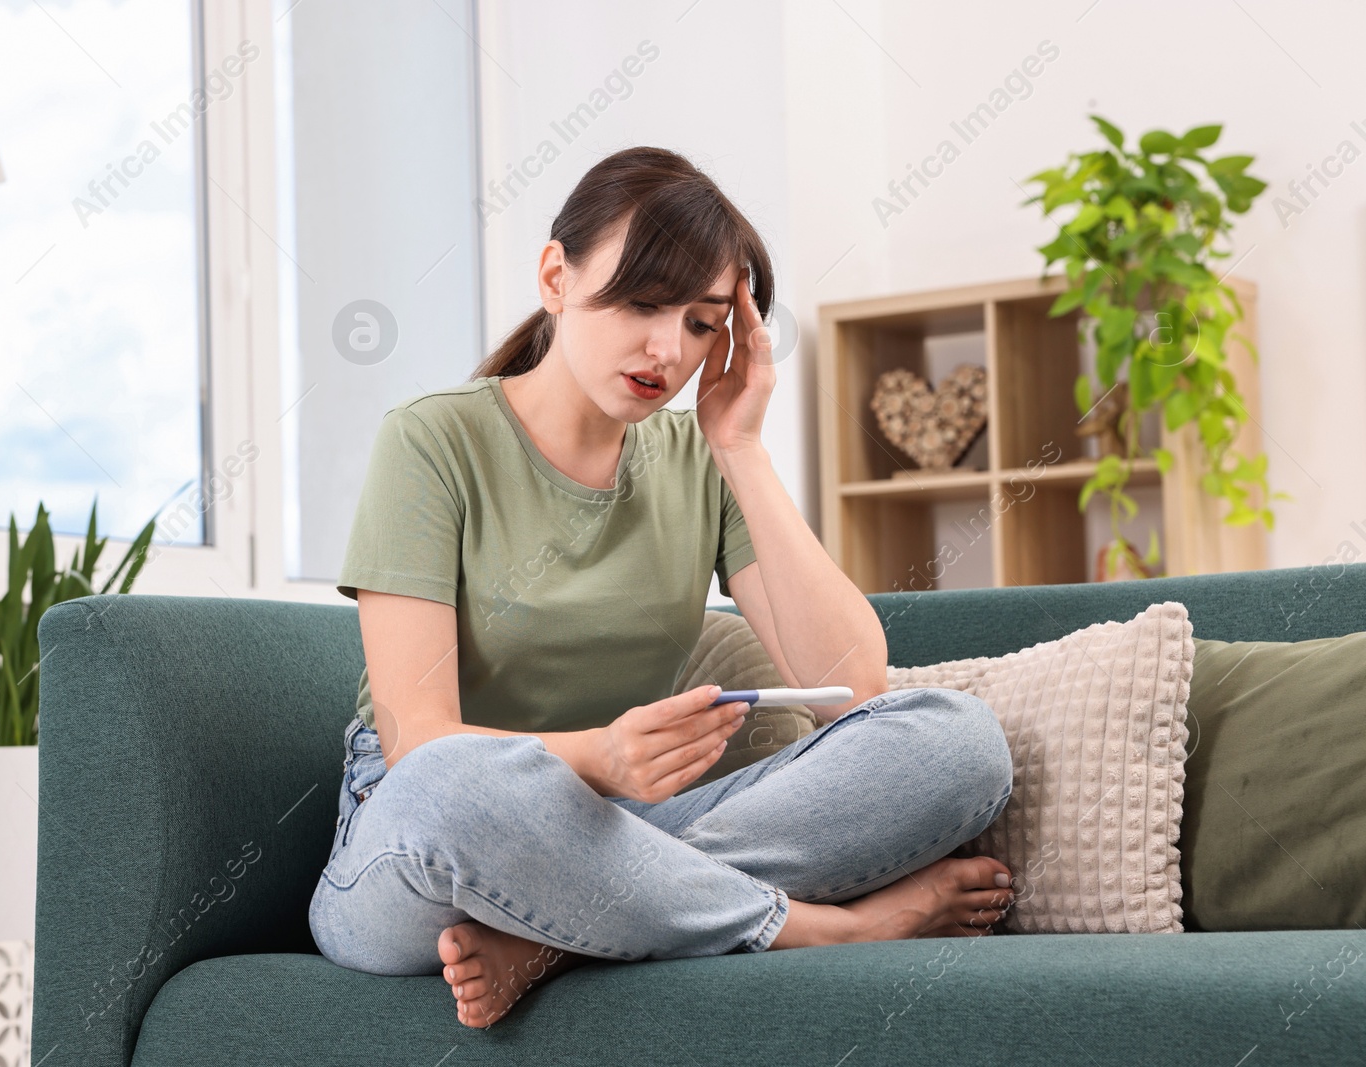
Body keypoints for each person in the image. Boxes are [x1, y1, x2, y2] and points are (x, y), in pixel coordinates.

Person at [308, 145, 1015, 1030]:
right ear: (555, 277)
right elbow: (421, 743)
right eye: (642, 304)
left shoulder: (697, 458)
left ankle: (561, 935)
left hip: (626, 832)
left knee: (958, 739)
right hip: (417, 844)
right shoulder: (432, 442)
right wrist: (599, 757)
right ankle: (817, 929)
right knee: (456, 786)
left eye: (699, 322)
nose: (667, 349)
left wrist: (741, 448)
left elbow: (855, 686)